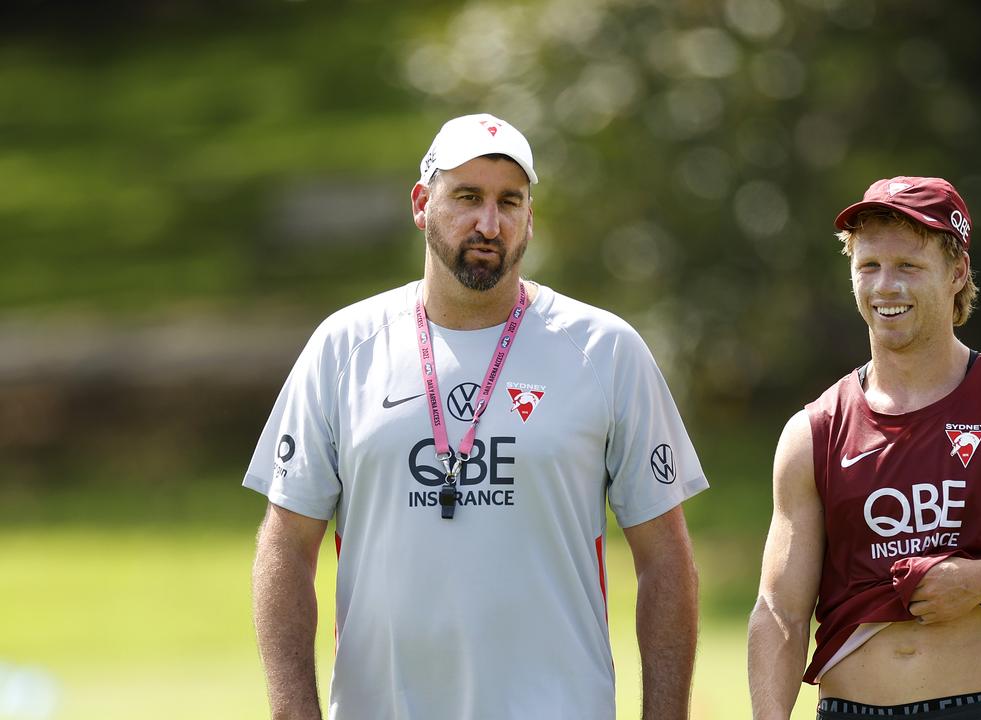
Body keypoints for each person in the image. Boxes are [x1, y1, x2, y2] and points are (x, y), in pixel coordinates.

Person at [245, 113, 708, 720]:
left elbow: (666, 559)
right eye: (467, 197)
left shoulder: (605, 349)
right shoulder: (345, 347)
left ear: (530, 219)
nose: (488, 223)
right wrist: (292, 712)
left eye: (508, 201)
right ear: (421, 203)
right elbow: (286, 545)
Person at [747, 177, 981, 719]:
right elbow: (779, 611)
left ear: (957, 273)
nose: (886, 287)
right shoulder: (813, 432)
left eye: (908, 266)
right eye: (869, 266)